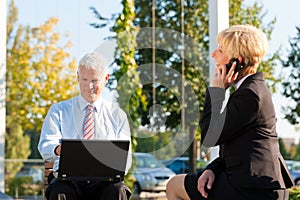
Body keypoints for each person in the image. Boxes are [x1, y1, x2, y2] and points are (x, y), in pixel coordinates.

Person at [166, 24, 294, 200]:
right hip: (253, 184)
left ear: (236, 60)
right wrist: (212, 169)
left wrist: (216, 93)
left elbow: (210, 136)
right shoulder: (250, 89)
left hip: (253, 189)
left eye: (220, 50)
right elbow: (237, 148)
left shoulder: (250, 94)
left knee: (174, 185)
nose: (213, 55)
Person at [38, 52, 132, 200]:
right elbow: (45, 145)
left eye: (95, 80)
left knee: (117, 189)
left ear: (106, 79)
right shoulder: (59, 111)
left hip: (104, 182)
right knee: (60, 191)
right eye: (85, 80)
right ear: (77, 77)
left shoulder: (118, 115)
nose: (89, 87)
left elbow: (126, 161)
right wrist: (57, 149)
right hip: (67, 181)